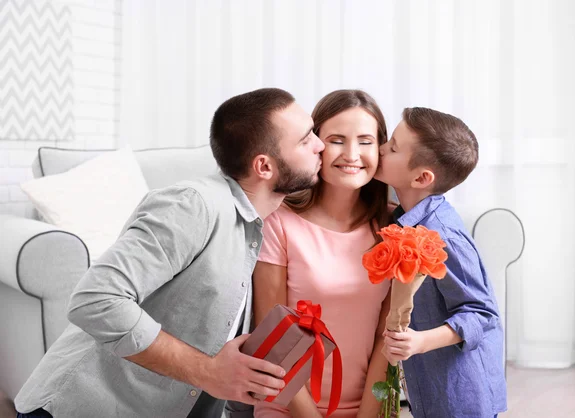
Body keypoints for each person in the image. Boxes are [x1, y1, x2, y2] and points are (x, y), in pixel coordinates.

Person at [14, 88, 325, 418]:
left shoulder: (258, 229)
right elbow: (95, 300)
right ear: (264, 166)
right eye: (306, 140)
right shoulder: (193, 205)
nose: (319, 145)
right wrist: (208, 372)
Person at [251, 90, 392, 418]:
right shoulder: (279, 221)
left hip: (367, 407)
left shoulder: (393, 226)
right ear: (315, 144)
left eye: (366, 141)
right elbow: (272, 340)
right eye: (337, 140)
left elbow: (387, 339)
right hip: (287, 405)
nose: (352, 154)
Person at [376, 107, 507, 418]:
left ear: (422, 177)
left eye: (392, 146)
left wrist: (419, 341)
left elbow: (481, 312)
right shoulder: (406, 218)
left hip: (461, 394)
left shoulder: (443, 233)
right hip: (431, 385)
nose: (379, 148)